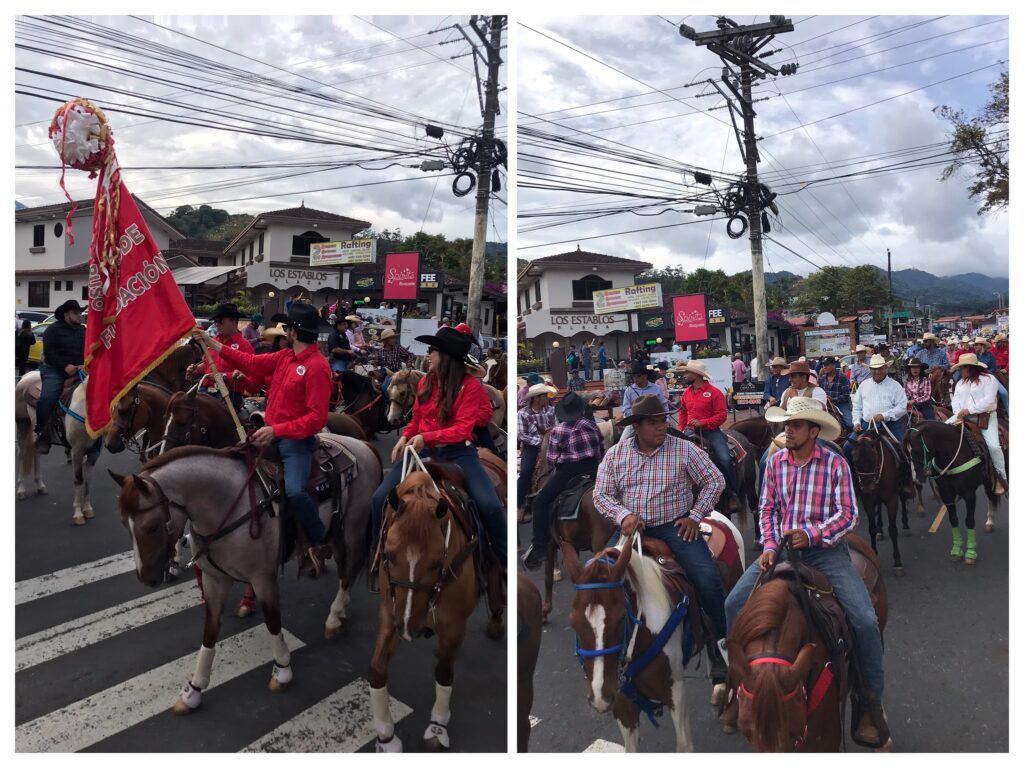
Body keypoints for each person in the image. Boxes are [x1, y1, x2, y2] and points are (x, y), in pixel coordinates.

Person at [721, 398, 890, 748]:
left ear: (814, 430)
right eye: (787, 424)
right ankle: (739, 686)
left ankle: (869, 701)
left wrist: (810, 534)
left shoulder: (834, 463)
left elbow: (847, 516)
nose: (788, 430)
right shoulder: (775, 462)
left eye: (795, 425)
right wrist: (769, 547)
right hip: (781, 549)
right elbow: (766, 509)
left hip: (825, 551)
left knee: (864, 620)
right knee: (733, 604)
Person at [192, 303, 333, 577]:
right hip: (270, 434)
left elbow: (316, 419)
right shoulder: (284, 357)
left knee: (295, 491)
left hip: (295, 442)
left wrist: (277, 431)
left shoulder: (318, 367)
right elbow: (250, 363)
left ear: (293, 332)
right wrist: (210, 342)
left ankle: (319, 540)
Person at [593, 395, 728, 679]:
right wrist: (623, 516)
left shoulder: (684, 450)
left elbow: (715, 480)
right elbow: (601, 494)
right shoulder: (617, 454)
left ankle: (721, 647)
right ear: (638, 427)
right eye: (653, 423)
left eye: (663, 420)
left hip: (673, 526)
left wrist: (695, 516)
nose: (661, 427)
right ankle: (602, 647)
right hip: (632, 528)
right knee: (597, 580)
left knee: (708, 579)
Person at [370, 326, 505, 572]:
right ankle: (377, 554)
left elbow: (463, 430)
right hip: (420, 450)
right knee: (379, 498)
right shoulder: (425, 382)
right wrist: (406, 437)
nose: (428, 355)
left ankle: (500, 563)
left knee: (490, 505)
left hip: (458, 453)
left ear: (446, 356)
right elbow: (416, 419)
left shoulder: (471, 387)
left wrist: (425, 437)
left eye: (432, 350)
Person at [521, 392, 603, 570]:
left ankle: (540, 546)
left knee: (540, 503)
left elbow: (551, 459)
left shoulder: (558, 430)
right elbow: (601, 448)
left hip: (568, 473)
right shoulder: (592, 425)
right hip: (594, 470)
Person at [676, 359, 737, 502]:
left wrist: (702, 423)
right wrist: (680, 430)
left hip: (711, 432)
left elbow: (721, 416)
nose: (684, 375)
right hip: (689, 432)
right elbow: (683, 413)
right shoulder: (686, 393)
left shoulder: (715, 393)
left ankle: (733, 493)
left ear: (696, 375)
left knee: (725, 459)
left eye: (687, 372)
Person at [946, 352, 1006, 495]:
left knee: (993, 446)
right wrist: (959, 413)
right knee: (942, 430)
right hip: (963, 416)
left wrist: (969, 410)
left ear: (970, 367)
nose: (960, 371)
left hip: (986, 417)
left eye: (962, 368)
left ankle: (1001, 477)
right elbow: (955, 400)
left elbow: (989, 400)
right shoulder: (960, 383)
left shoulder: (989, 379)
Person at [34, 299, 86, 454]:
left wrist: (85, 363)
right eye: (76, 313)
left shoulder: (83, 330)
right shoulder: (52, 330)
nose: (79, 315)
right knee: (48, 397)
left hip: (79, 369)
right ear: (66, 314)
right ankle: (42, 433)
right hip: (54, 369)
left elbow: (89, 351)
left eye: (79, 312)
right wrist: (65, 366)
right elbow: (49, 353)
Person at [187, 303, 255, 411]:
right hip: (205, 390)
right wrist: (196, 369)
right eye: (215, 322)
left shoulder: (244, 346)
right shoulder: (213, 341)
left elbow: (249, 376)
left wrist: (223, 376)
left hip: (229, 392)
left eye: (221, 321)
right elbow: (206, 363)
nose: (217, 324)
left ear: (233, 321)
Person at [845, 353, 908, 467]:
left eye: (880, 368)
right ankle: (853, 476)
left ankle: (907, 479)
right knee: (847, 447)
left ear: (885, 368)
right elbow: (857, 407)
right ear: (870, 369)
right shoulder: (863, 385)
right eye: (874, 369)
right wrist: (857, 422)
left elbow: (902, 407)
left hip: (890, 424)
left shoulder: (895, 385)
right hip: (867, 424)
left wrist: (885, 415)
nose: (877, 372)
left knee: (904, 447)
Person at [517, 383, 557, 517]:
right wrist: (541, 442)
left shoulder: (551, 410)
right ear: (536, 398)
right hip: (532, 445)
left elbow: (555, 427)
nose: (547, 398)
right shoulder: (522, 413)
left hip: (551, 443)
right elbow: (522, 435)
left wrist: (548, 440)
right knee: (525, 471)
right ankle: (520, 502)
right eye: (545, 396)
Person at [818, 356, 853, 433]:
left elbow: (846, 396)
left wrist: (832, 399)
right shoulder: (822, 378)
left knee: (849, 424)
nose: (824, 367)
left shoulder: (842, 377)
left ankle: (849, 439)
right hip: (828, 405)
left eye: (827, 365)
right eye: (824, 365)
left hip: (842, 404)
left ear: (833, 365)